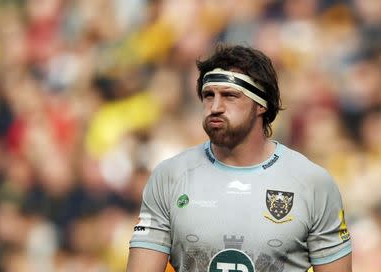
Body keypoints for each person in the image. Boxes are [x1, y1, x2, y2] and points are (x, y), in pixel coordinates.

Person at [127, 45, 352, 272]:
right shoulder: (169, 177)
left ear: (261, 104)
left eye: (229, 96)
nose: (215, 107)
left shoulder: (313, 183)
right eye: (208, 96)